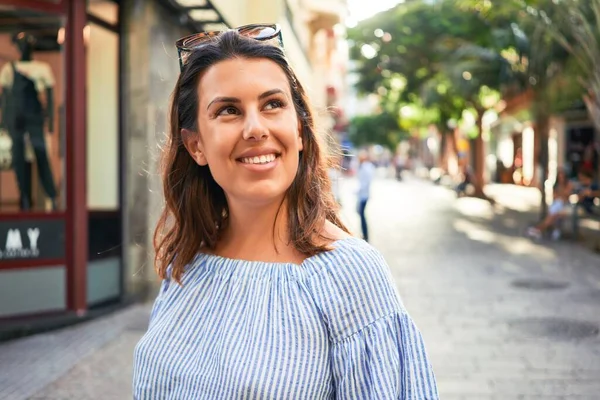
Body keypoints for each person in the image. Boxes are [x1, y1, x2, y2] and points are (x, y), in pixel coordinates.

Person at [133, 26, 438, 399]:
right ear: (195, 145)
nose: (255, 128)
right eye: (228, 110)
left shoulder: (350, 273)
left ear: (299, 128)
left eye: (272, 104)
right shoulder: (188, 259)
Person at [526, 169, 573, 240]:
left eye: (562, 176)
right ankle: (542, 229)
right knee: (553, 215)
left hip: (563, 206)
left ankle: (538, 229)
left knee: (552, 216)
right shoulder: (556, 185)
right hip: (557, 205)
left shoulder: (568, 185)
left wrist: (560, 195)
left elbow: (566, 196)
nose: (561, 178)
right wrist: (561, 195)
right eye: (560, 176)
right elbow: (555, 196)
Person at [356, 149, 376, 242]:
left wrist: (358, 190)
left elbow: (365, 182)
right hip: (364, 194)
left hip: (364, 195)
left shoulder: (365, 167)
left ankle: (365, 234)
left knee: (362, 214)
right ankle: (364, 233)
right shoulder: (366, 167)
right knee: (361, 214)